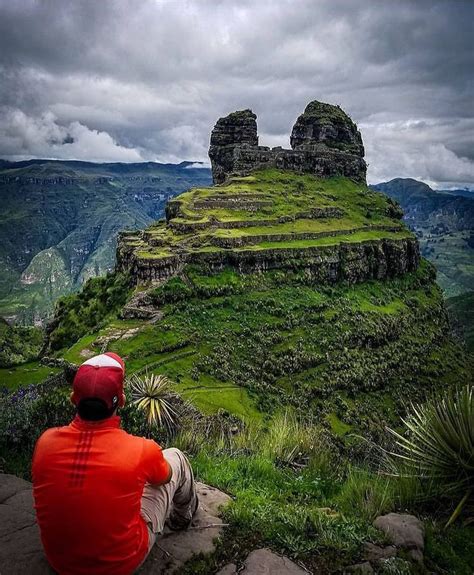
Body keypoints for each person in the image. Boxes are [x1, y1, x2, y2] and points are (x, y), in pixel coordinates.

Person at [32, 352, 198, 575]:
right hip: (120, 564)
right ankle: (182, 517)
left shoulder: (45, 443)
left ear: (73, 398)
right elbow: (165, 478)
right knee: (176, 457)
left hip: (60, 562)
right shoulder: (141, 449)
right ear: (122, 400)